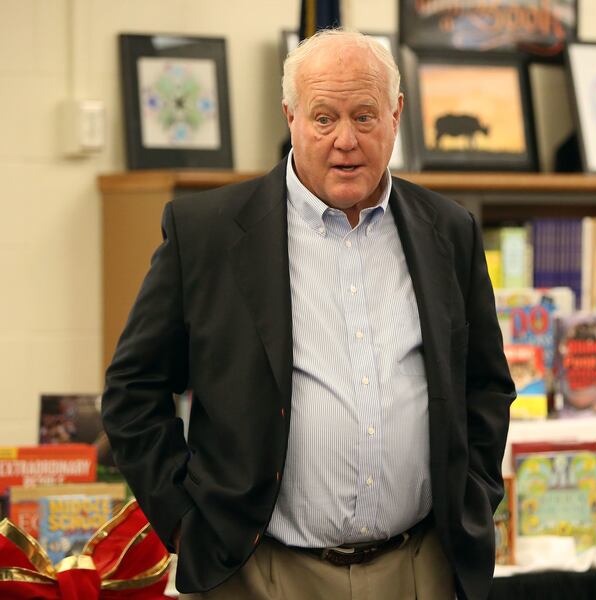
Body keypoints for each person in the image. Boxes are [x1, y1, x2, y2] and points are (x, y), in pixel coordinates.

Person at [101, 29, 514, 600]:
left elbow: (485, 386)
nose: (345, 140)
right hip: (259, 572)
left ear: (396, 115)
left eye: (364, 116)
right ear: (290, 116)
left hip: (419, 568)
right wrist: (185, 521)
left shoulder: (450, 230)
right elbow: (132, 391)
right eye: (324, 117)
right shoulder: (207, 234)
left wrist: (474, 494)